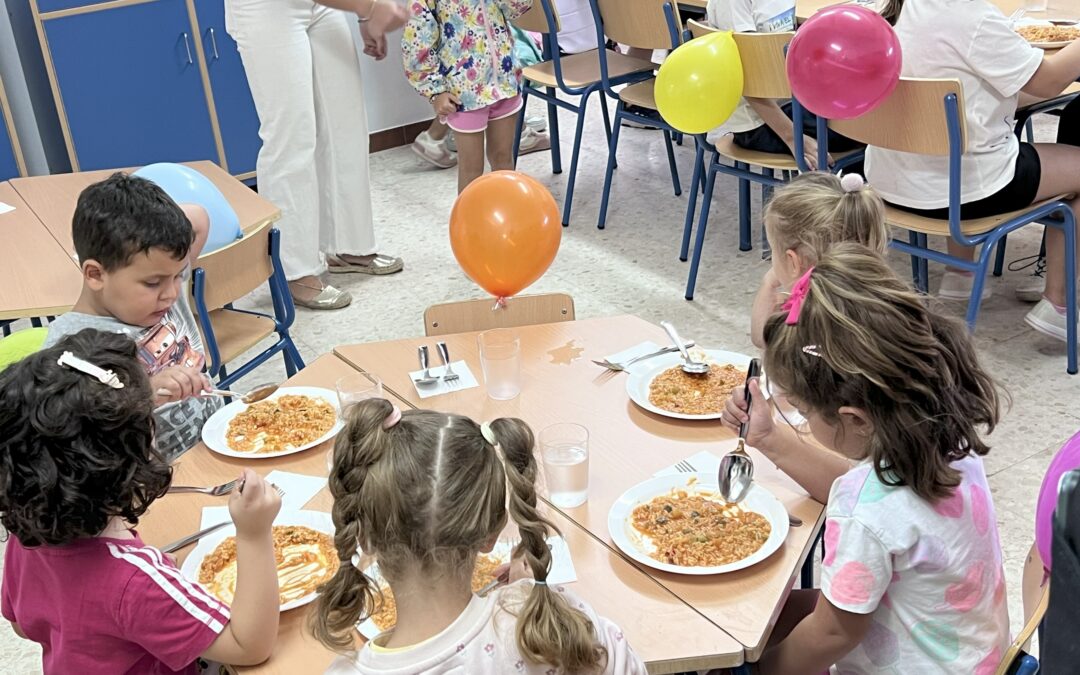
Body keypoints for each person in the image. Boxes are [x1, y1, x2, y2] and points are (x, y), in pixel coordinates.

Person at [723, 244, 1009, 674]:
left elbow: (832, 635)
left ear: (853, 418)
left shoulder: (864, 508)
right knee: (761, 610)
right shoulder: (946, 437)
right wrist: (768, 437)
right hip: (971, 657)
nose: (798, 416)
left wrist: (757, 673)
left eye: (800, 407)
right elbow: (877, 507)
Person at [0, 329, 282, 674]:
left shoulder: (28, 529)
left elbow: (21, 623)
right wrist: (253, 534)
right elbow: (249, 645)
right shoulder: (136, 581)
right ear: (125, 463)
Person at [314, 399, 646, 674]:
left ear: (362, 536)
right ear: (491, 533)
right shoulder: (539, 623)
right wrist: (523, 593)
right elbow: (627, 666)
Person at [867, 0, 1080, 340]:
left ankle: (959, 275)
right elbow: (1049, 82)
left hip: (888, 184)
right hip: (963, 191)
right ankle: (1058, 303)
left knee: (960, 142)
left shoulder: (890, 9)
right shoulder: (971, 17)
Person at [225, 0, 409, 311]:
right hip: (264, 8)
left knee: (346, 125)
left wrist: (365, 12)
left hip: (322, 6)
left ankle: (350, 247)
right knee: (291, 138)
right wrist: (367, 8)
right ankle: (295, 269)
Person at [44, 173, 218, 461]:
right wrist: (145, 394)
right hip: (161, 480)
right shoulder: (71, 350)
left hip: (220, 439)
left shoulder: (158, 274)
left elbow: (197, 218)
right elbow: (74, 438)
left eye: (179, 275)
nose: (172, 293)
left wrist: (146, 214)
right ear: (95, 274)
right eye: (153, 283)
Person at [705, 0, 862, 169]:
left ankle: (853, 190)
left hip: (791, 103)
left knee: (863, 113)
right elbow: (749, 81)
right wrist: (793, 138)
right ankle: (843, 192)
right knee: (862, 128)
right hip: (757, 123)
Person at [402, 0, 533, 192]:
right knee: (471, 169)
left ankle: (507, 218)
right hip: (463, 92)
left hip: (505, 81)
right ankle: (468, 221)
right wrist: (435, 90)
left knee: (503, 159)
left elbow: (516, 8)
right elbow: (416, 36)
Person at [749, 172, 888, 348]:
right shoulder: (880, 299)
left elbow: (762, 340)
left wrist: (768, 283)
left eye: (773, 251)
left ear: (794, 262)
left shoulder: (803, 320)